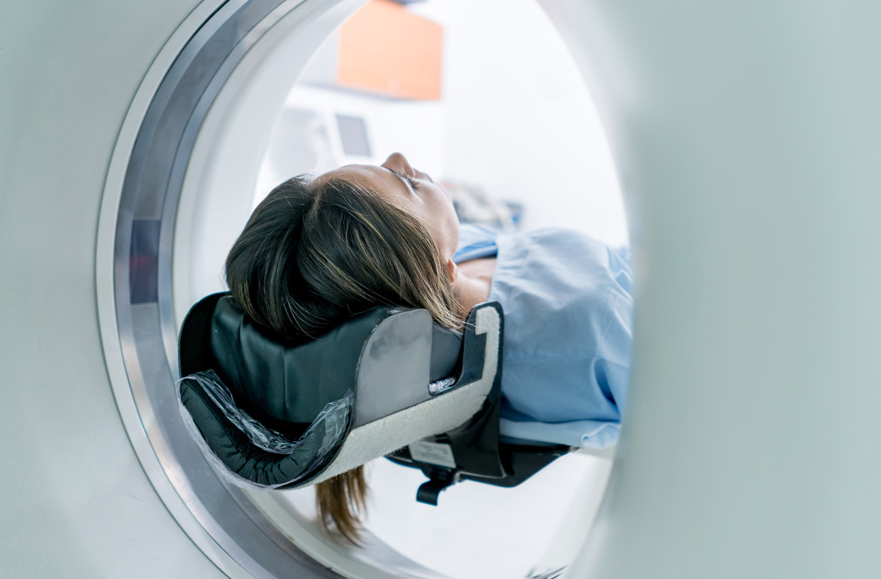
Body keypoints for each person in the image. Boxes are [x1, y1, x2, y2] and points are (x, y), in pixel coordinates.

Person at [223, 152, 632, 542]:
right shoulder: (584, 338)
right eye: (406, 183)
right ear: (441, 271)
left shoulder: (461, 253)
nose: (400, 157)